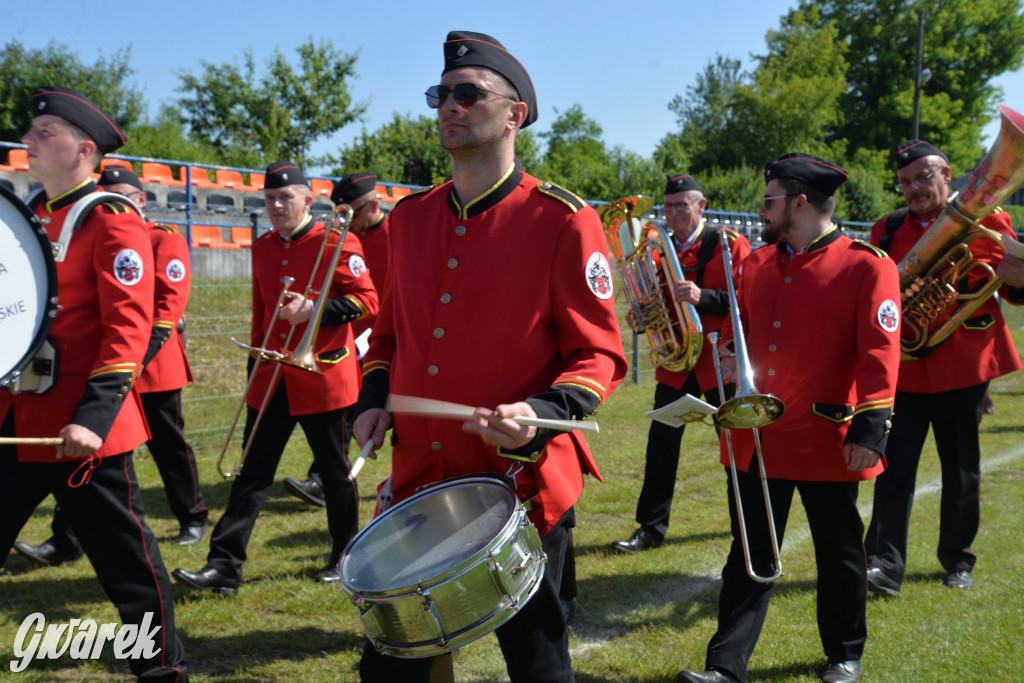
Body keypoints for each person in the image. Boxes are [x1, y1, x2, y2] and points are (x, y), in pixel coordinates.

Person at [352, 31, 627, 682]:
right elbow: (388, 338)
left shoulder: (563, 219)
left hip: (519, 486)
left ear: (514, 114)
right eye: (440, 95)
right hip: (420, 482)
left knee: (537, 666)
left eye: (468, 93)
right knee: (393, 666)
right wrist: (373, 404)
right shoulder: (408, 220)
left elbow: (599, 354)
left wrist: (539, 413)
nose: (450, 105)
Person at [675, 153, 901, 683]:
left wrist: (871, 428)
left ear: (799, 201)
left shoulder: (868, 263)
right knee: (749, 554)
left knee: (841, 553)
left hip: (827, 435)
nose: (761, 209)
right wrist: (731, 352)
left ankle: (845, 653)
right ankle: (725, 667)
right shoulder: (755, 263)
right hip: (761, 436)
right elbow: (746, 328)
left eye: (770, 199)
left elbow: (880, 353)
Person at [0, 86, 188, 682]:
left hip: (84, 431)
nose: (28, 141)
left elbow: (128, 326)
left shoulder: (111, 218)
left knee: (128, 568)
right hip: (19, 421)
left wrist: (95, 414)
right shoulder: (28, 217)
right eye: (30, 132)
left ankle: (161, 671)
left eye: (44, 133)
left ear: (84, 149)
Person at [172, 160, 378, 593]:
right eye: (269, 198)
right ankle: (224, 564)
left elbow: (368, 302)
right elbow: (261, 315)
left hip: (323, 375)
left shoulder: (337, 240)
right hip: (273, 377)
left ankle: (345, 556)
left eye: (286, 197)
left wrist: (315, 311)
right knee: (251, 473)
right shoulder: (264, 247)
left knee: (336, 475)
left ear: (307, 200)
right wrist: (253, 376)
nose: (277, 205)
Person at [13, 168, 208, 568]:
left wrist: (132, 365)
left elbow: (165, 311)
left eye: (122, 195)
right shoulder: (89, 226)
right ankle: (66, 539)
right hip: (106, 371)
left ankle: (192, 515)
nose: (110, 200)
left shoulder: (162, 239)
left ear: (141, 200)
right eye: (107, 192)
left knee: (168, 445)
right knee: (88, 461)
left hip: (152, 367)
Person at [863, 139, 1024, 597]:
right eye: (906, 182)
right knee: (893, 472)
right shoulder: (886, 230)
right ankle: (884, 566)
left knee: (961, 471)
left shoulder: (990, 220)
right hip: (906, 372)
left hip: (963, 369)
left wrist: (1021, 278)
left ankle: (957, 560)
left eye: (923, 177)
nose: (914, 187)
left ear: (947, 174)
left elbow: (1009, 289)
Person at [611, 174, 751, 553]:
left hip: (718, 364)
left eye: (681, 206)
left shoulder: (728, 243)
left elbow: (750, 296)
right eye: (668, 206)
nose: (672, 213)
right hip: (675, 364)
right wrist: (642, 314)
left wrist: (704, 296)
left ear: (701, 206)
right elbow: (652, 296)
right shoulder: (655, 248)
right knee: (661, 448)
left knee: (733, 448)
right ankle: (650, 529)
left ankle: (748, 522)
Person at [283, 171, 390, 508]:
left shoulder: (399, 233)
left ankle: (326, 479)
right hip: (353, 332)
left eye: (354, 212)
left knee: (355, 410)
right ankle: (323, 478)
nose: (350, 221)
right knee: (346, 410)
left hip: (385, 334)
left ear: (373, 205)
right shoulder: (345, 237)